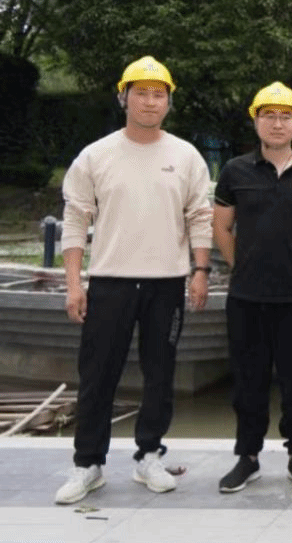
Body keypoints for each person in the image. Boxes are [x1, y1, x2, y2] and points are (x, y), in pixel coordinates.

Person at [55, 56, 213, 505]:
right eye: (140, 93)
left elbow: (200, 216)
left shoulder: (185, 156)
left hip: (167, 284)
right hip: (110, 282)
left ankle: (149, 455)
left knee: (160, 372)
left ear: (168, 101)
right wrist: (74, 283)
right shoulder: (96, 155)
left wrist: (200, 271)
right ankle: (88, 463)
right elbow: (75, 220)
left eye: (158, 94)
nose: (149, 101)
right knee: (97, 374)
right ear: (124, 98)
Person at [212, 82, 292, 493]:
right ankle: (248, 456)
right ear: (256, 120)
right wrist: (240, 265)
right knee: (249, 381)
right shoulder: (235, 171)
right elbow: (222, 227)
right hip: (247, 297)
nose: (277, 124)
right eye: (269, 116)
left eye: (286, 116)